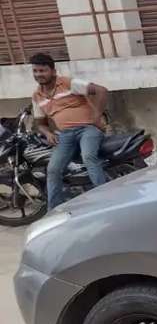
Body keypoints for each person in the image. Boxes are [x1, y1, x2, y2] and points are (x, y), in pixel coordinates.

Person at [29, 52, 110, 208]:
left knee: (88, 157)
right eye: (35, 71)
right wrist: (48, 133)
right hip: (65, 135)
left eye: (42, 70)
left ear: (53, 71)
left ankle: (105, 201)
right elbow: (40, 123)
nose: (39, 74)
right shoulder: (37, 96)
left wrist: (96, 117)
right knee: (53, 169)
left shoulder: (67, 83)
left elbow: (101, 90)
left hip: (88, 129)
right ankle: (53, 209)